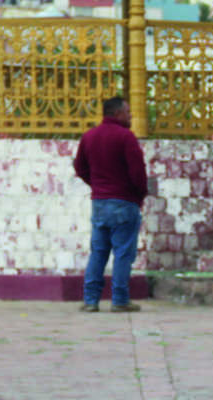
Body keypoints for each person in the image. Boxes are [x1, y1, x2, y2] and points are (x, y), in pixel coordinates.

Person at [73, 95, 147, 313]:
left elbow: (80, 168)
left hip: (99, 202)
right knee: (123, 253)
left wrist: (96, 184)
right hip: (124, 202)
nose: (131, 115)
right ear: (117, 114)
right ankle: (120, 299)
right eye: (127, 112)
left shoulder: (89, 137)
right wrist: (139, 195)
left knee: (98, 251)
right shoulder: (126, 138)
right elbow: (137, 172)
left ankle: (91, 300)